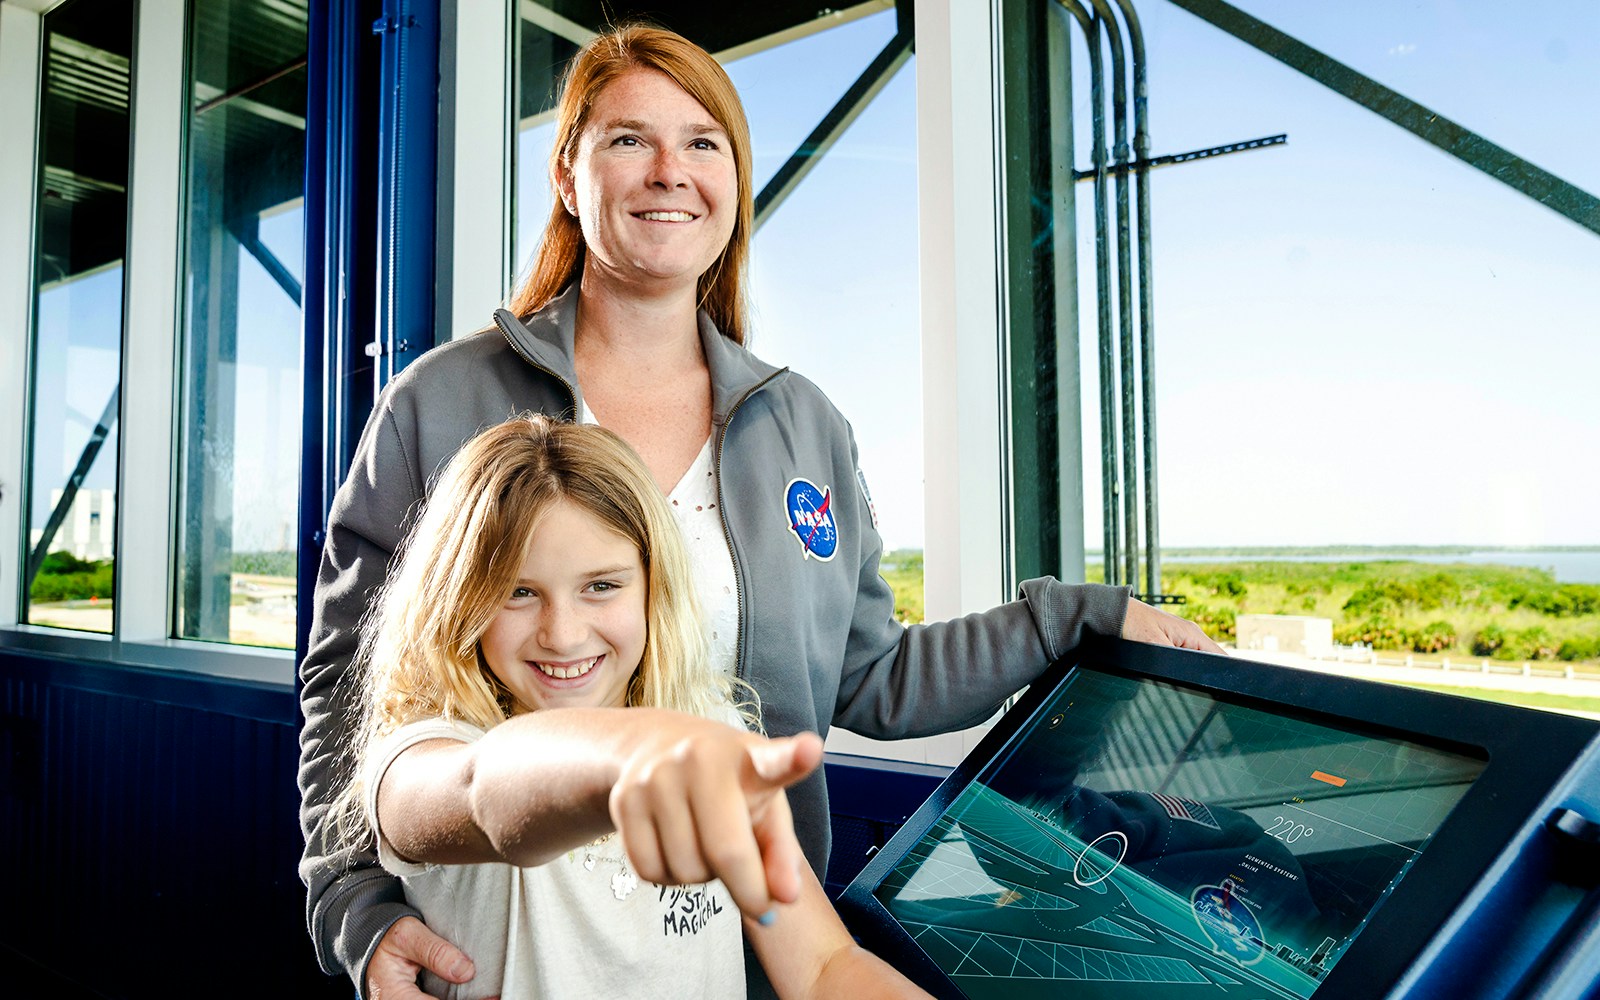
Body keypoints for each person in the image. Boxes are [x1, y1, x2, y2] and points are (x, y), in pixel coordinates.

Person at [297, 22, 1222, 1000]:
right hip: (498, 948)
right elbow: (354, 684)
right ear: (567, 177)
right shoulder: (438, 403)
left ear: (733, 185)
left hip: (744, 950)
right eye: (627, 140)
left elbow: (870, 677)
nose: (668, 171)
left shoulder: (803, 424)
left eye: (703, 143)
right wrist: (350, 902)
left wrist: (1071, 619)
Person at [328, 414, 929, 998]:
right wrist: (632, 760)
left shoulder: (712, 734)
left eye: (601, 586)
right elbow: (480, 790)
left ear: (653, 587)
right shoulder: (424, 750)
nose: (562, 634)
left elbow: (824, 967)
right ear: (463, 603)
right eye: (518, 592)